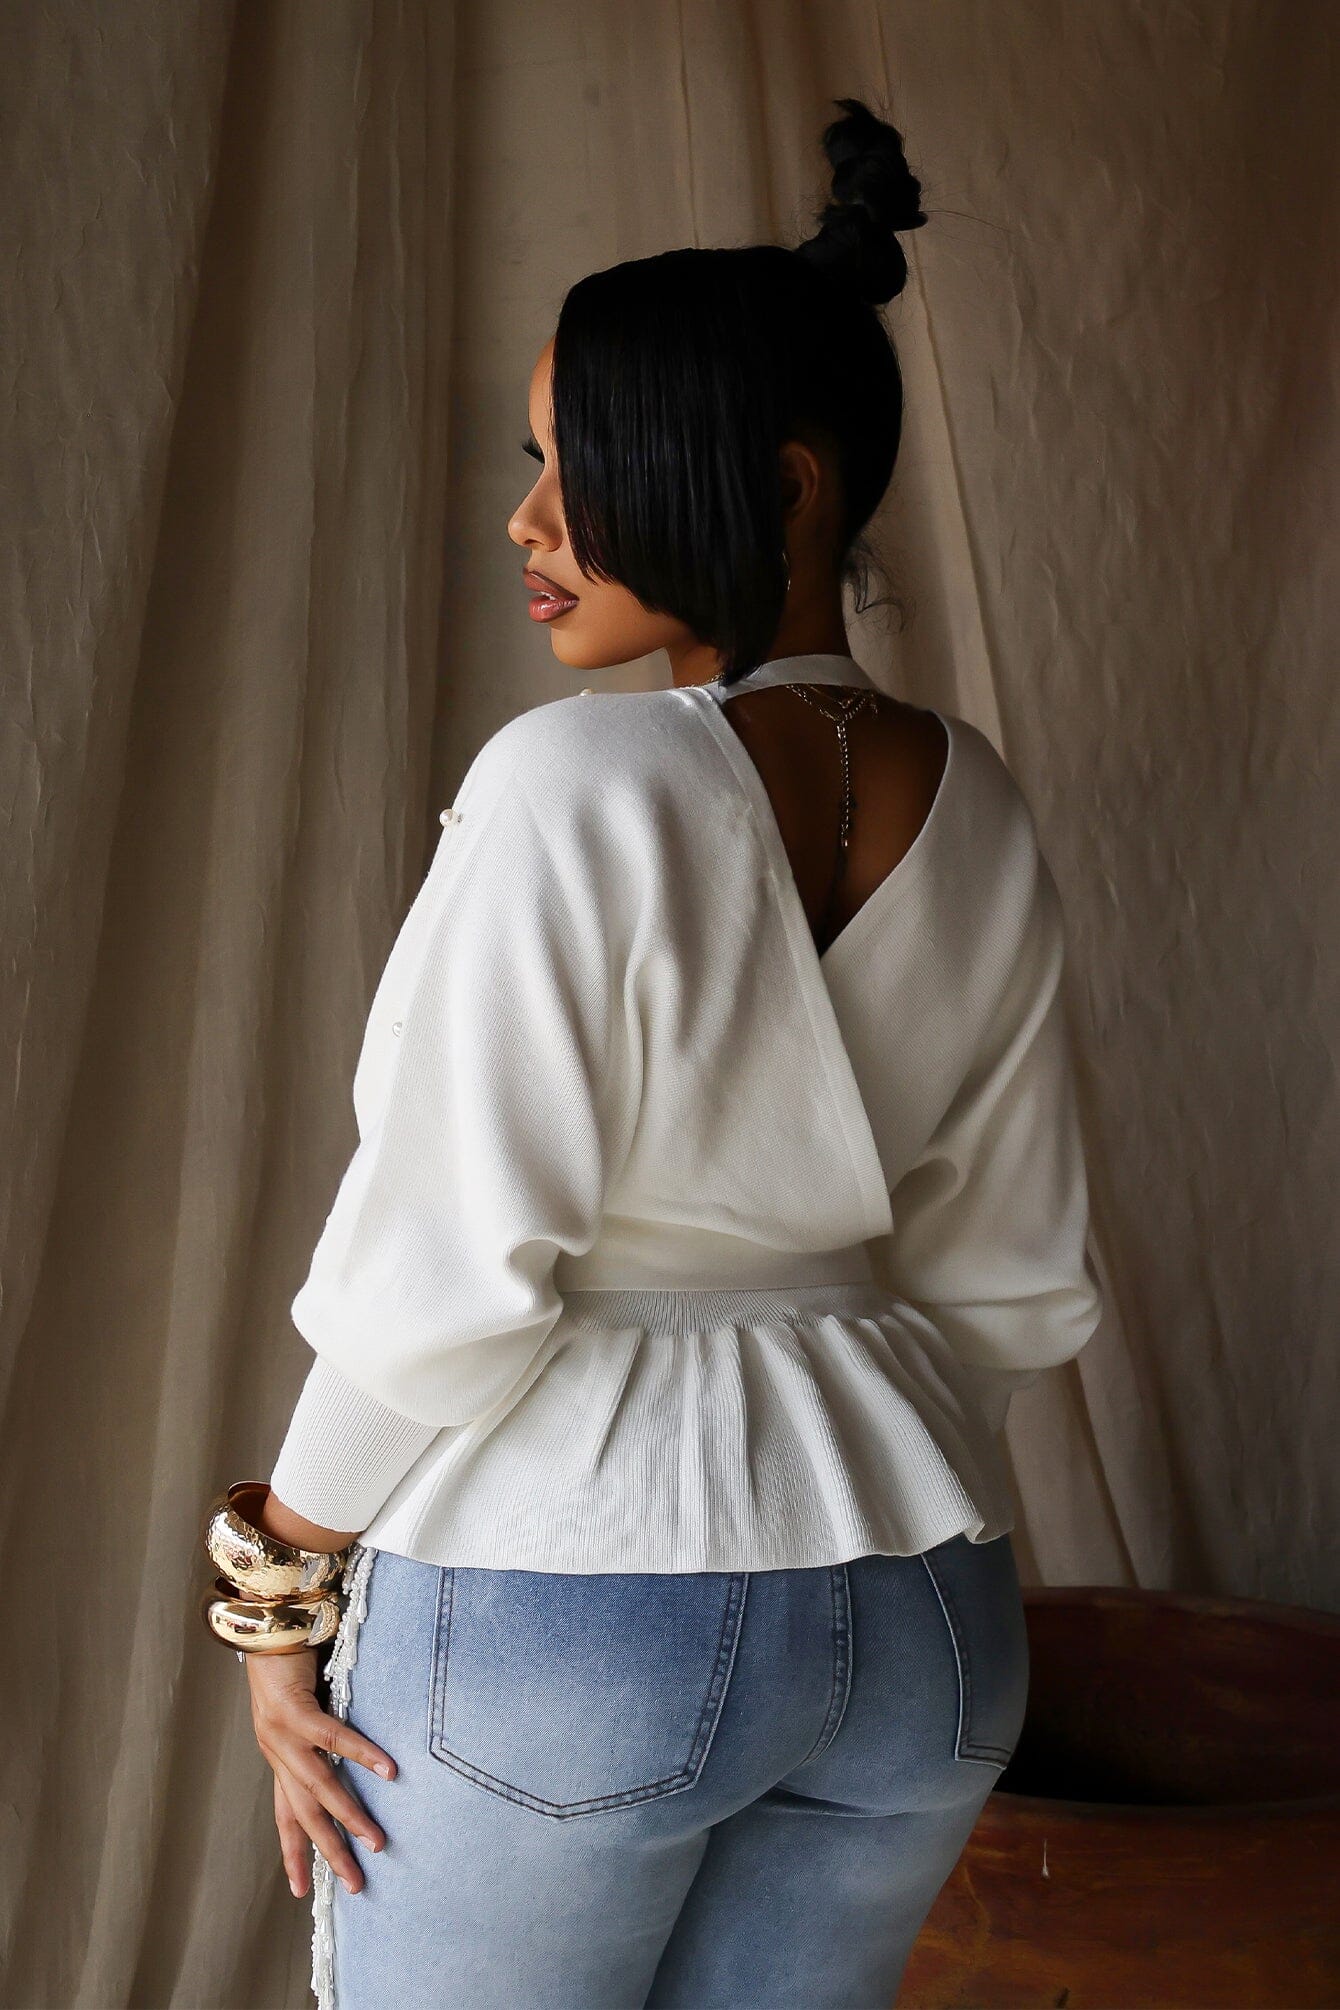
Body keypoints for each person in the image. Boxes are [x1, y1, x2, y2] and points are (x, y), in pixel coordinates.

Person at [202, 97, 1103, 2010]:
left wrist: (276, 1584)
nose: (529, 522)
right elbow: (1011, 1279)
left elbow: (447, 1268)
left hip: (568, 1597)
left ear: (781, 487)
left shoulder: (572, 783)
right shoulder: (981, 798)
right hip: (926, 1619)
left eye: (582, 466)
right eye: (535, 464)